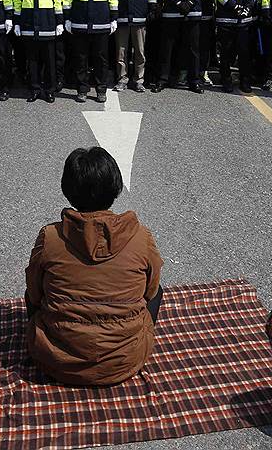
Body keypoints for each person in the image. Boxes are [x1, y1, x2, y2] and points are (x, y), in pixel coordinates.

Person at [25, 147, 163, 386]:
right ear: (115, 188)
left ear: (67, 189)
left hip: (55, 361)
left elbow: (35, 295)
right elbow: (149, 292)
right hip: (126, 361)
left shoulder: (50, 237)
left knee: (33, 291)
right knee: (158, 291)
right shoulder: (141, 237)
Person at [12, 0, 63, 102]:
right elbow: (17, 0)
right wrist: (17, 22)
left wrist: (59, 22)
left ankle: (49, 90)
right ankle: (34, 89)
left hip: (48, 24)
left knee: (49, 61)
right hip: (28, 24)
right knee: (32, 61)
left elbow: (58, 0)